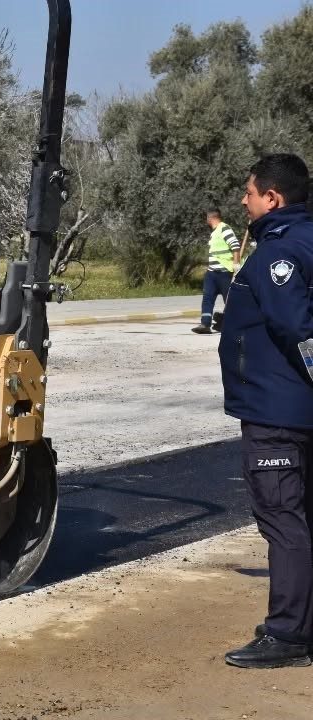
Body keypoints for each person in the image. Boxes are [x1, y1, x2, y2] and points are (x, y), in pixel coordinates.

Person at [219, 153, 313, 669]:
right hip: (293, 408)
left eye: (250, 192)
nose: (244, 200)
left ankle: (288, 634)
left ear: (272, 198)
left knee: (283, 521)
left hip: (279, 414)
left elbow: (298, 330)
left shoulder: (278, 254)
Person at [192, 207, 241, 334]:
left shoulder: (224, 229)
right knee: (207, 297)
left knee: (229, 299)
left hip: (225, 272)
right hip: (212, 272)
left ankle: (232, 323)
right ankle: (205, 324)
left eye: (206, 218)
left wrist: (236, 264)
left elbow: (235, 246)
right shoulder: (214, 232)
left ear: (210, 218)